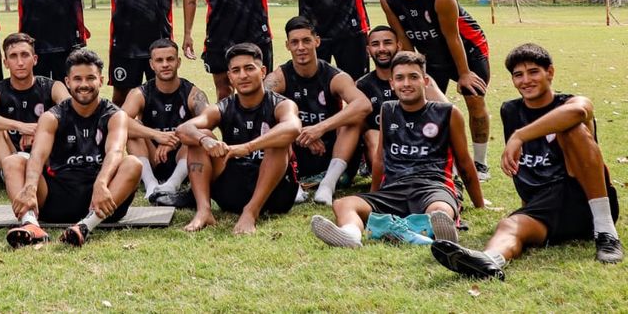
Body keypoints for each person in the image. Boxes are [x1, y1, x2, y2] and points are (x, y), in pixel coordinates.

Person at [431, 43, 622, 279]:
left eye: (533, 72)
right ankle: (490, 261)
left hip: (581, 198)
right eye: (518, 75)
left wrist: (520, 135)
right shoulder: (510, 111)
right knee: (509, 226)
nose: (525, 81)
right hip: (545, 206)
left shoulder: (573, 102)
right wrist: (526, 208)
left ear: (549, 72)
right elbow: (525, 173)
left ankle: (606, 233)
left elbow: (578, 113)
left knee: (571, 129)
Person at [310, 51, 485, 249]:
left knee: (440, 211)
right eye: (400, 78)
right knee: (343, 204)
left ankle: (427, 232)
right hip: (394, 189)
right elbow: (380, 160)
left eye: (413, 77)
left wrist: (479, 203)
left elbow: (464, 162)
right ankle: (351, 235)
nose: (406, 84)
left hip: (433, 188)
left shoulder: (448, 113)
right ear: (392, 83)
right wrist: (374, 197)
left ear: (425, 81)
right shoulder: (388, 110)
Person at [2, 49, 142, 248]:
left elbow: (116, 151)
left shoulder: (115, 115)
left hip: (101, 199)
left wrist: (101, 184)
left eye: (90, 78)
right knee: (12, 161)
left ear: (101, 80)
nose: (84, 85)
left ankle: (85, 227)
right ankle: (31, 225)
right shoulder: (52, 116)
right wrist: (30, 187)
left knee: (133, 163)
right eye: (77, 79)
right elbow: (38, 155)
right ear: (68, 82)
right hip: (57, 197)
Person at [380, 0, 492, 180]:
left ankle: (480, 164)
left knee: (474, 98)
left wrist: (464, 74)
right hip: (431, 55)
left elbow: (453, 37)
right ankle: (433, 160)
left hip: (468, 50)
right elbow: (403, 37)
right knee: (424, 105)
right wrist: (413, 71)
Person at [178, 43, 302, 234]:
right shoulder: (224, 106)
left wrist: (247, 147)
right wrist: (205, 141)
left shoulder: (281, 104)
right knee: (198, 138)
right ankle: (204, 210)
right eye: (236, 70)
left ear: (262, 72)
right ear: (230, 77)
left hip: (275, 194)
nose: (243, 75)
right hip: (232, 190)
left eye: (249, 68)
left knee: (278, 140)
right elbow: (184, 129)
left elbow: (293, 127)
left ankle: (251, 212)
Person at [264, 17, 370, 204]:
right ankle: (293, 183)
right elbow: (259, 106)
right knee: (270, 119)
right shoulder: (279, 77)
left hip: (332, 151)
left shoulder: (334, 76)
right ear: (287, 46)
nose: (301, 47)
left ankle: (327, 186)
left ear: (317, 41)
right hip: (296, 151)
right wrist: (298, 134)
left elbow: (363, 105)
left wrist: (319, 128)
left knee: (355, 119)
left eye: (306, 40)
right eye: (295, 42)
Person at [121, 39, 210, 206]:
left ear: (178, 62)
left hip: (182, 158)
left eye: (170, 59)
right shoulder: (140, 93)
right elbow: (117, 122)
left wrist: (176, 137)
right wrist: (157, 135)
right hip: (152, 155)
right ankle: (150, 185)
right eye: (159, 60)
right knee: (133, 130)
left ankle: (172, 185)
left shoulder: (192, 93)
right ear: (151, 64)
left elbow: (208, 121)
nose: (165, 64)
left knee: (197, 133)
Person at [0, 33, 68, 184]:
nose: (20, 62)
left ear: (35, 59)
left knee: (64, 122)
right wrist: (21, 127)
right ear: (5, 62)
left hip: (44, 156)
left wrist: (39, 131)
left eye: (25, 55)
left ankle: (44, 171)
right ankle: (13, 174)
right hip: (10, 155)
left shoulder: (53, 86)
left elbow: (71, 111)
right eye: (13, 56)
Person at [354, 26, 445, 172]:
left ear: (398, 46)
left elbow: (447, 113)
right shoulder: (362, 85)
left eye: (387, 43)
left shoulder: (419, 80)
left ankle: (449, 173)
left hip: (420, 145)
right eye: (376, 44)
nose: (382, 49)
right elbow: (353, 126)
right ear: (368, 50)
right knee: (371, 134)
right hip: (386, 152)